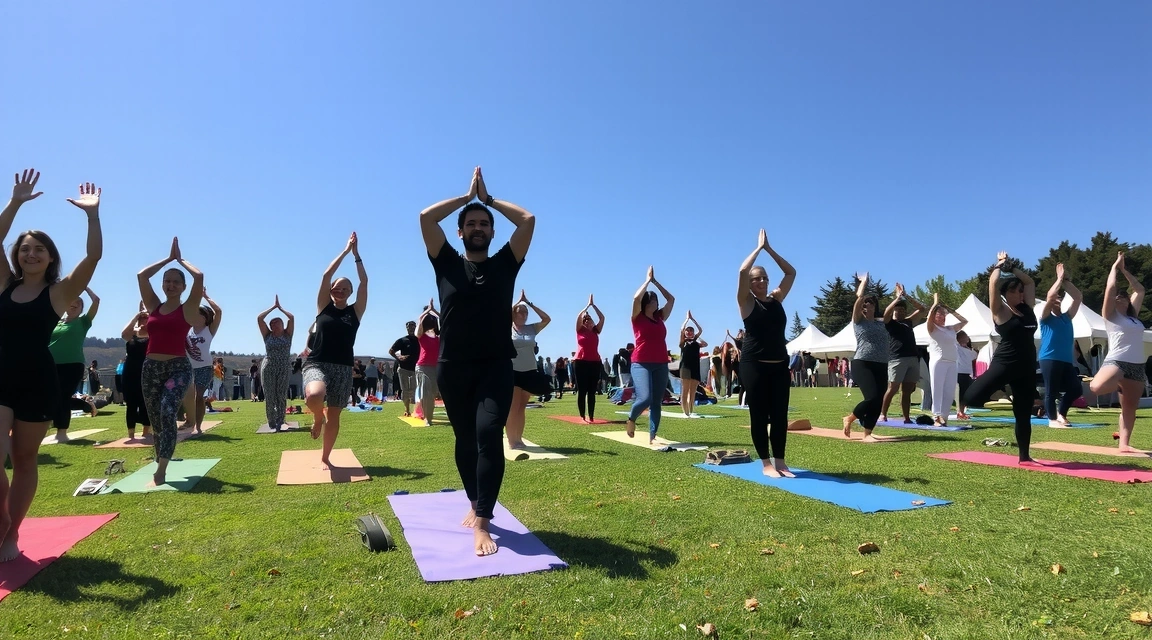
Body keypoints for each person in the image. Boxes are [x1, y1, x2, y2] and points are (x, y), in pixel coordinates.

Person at [420, 166, 534, 557]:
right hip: (453, 368)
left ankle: (483, 520)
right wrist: (465, 195)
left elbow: (528, 220)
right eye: (472, 223)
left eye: (485, 223)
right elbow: (425, 217)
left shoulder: (506, 262)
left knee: (488, 435)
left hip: (495, 366)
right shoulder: (447, 262)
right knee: (465, 440)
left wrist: (487, 200)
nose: (479, 227)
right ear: (461, 232)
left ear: (492, 230)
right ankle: (474, 501)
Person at [0, 172, 102, 562]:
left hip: (37, 380)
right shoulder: (4, 285)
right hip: (1, 374)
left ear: (50, 257)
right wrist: (14, 203)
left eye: (39, 249)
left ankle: (13, 531)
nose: (31, 254)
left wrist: (92, 216)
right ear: (17, 255)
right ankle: (2, 521)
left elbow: (93, 257)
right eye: (25, 248)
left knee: (25, 459)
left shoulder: (58, 293)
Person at [138, 237, 203, 486]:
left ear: (183, 287)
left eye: (176, 282)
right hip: (151, 368)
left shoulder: (187, 309)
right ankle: (161, 457)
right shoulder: (154, 305)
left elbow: (199, 277)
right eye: (168, 281)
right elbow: (142, 276)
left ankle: (162, 468)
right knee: (156, 419)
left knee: (167, 411)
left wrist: (180, 260)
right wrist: (167, 259)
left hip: (177, 367)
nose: (171, 285)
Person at [963, 252, 1039, 463]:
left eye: (1021, 291)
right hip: (1005, 363)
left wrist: (1012, 268)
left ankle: (1025, 456)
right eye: (1015, 291)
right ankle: (1000, 388)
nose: (1021, 294)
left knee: (1023, 413)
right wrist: (999, 266)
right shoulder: (1000, 311)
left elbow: (1030, 281)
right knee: (971, 398)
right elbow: (993, 285)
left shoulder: (1027, 309)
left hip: (1026, 365)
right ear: (1006, 295)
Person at [304, 233, 368, 468]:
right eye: (336, 288)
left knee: (335, 414)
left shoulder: (355, 312)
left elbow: (364, 283)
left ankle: (326, 457)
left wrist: (357, 255)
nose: (339, 291)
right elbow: (326, 275)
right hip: (317, 363)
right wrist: (344, 251)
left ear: (350, 293)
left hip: (343, 367)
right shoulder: (323, 307)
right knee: (314, 395)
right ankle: (317, 418)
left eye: (344, 289)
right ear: (330, 290)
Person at [737, 229, 797, 476]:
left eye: (764, 278)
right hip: (755, 365)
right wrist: (758, 249)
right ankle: (766, 464)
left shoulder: (776, 299)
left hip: (779, 365)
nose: (761, 281)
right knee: (760, 415)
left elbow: (791, 272)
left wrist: (770, 250)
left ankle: (780, 461)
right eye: (756, 279)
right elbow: (742, 271)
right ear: (750, 284)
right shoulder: (747, 302)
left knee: (780, 415)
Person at [1089, 253, 1147, 453]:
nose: (1120, 297)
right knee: (1096, 387)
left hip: (1138, 366)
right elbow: (1111, 288)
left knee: (1130, 408)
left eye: (1123, 296)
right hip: (1118, 362)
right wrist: (1114, 267)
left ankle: (1124, 444)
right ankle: (1119, 383)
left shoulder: (1133, 317)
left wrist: (1125, 270)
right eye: (1117, 296)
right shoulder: (1111, 316)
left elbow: (1139, 290)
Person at [842, 273, 897, 442]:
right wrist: (864, 283)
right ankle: (850, 418)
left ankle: (867, 434)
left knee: (878, 400)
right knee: (872, 397)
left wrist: (898, 297)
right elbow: (858, 299)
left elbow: (889, 312)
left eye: (870, 304)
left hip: (881, 364)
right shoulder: (858, 321)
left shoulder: (881, 322)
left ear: (874, 306)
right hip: (863, 363)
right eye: (864, 305)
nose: (866, 306)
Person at [626, 266, 676, 444]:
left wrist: (656, 282)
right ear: (646, 302)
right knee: (645, 398)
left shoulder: (660, 317)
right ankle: (631, 419)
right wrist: (647, 281)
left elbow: (671, 299)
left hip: (661, 363)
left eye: (656, 299)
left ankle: (653, 436)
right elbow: (635, 297)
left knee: (657, 401)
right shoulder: (637, 317)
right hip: (641, 363)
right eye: (652, 298)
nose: (655, 301)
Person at [48, 288, 100, 441]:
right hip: (51, 364)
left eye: (78, 303)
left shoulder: (83, 322)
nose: (73, 304)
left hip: (72, 365)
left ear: (81, 309)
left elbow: (96, 301)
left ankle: (61, 433)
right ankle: (86, 406)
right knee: (51, 396)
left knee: (63, 397)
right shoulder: (56, 323)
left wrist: (83, 286)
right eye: (71, 301)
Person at [1038, 263, 1084, 428]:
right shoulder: (1045, 318)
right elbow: (1050, 297)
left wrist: (1065, 281)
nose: (1056, 299)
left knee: (1076, 389)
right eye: (1054, 298)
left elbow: (1078, 297)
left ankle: (1061, 413)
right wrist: (1058, 279)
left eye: (1059, 298)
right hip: (1049, 358)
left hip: (1065, 360)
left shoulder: (1067, 317)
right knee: (1051, 391)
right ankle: (1052, 420)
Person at [507, 291, 551, 445]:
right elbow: (500, 315)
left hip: (530, 371)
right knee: (513, 407)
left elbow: (547, 319)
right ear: (514, 313)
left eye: (526, 313)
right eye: (521, 312)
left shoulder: (532, 328)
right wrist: (517, 302)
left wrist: (530, 304)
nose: (524, 315)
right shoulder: (507, 328)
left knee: (522, 407)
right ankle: (512, 441)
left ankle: (519, 438)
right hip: (513, 371)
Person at [879, 284, 926, 424]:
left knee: (907, 390)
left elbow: (922, 309)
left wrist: (906, 296)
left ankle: (906, 417)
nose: (899, 312)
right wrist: (897, 299)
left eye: (902, 309)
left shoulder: (909, 322)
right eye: (897, 309)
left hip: (912, 358)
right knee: (892, 388)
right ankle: (883, 414)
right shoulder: (890, 323)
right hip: (897, 359)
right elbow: (886, 313)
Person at [180, 290, 221, 434]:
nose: (195, 316)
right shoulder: (187, 330)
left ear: (205, 318)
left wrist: (206, 297)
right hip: (188, 368)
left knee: (198, 397)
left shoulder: (209, 330)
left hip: (204, 368)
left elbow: (218, 311)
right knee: (185, 396)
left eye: (199, 314)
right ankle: (188, 421)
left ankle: (198, 426)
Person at [925, 293, 969, 426]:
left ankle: (944, 417)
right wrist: (935, 304)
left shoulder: (950, 329)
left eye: (943, 314)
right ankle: (936, 416)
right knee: (937, 389)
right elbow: (928, 318)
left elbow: (964, 321)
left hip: (951, 362)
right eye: (938, 314)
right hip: (939, 361)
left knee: (949, 392)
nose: (941, 316)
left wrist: (949, 309)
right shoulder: (932, 328)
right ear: (934, 316)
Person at [258, 296, 295, 431]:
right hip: (269, 366)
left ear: (282, 325)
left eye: (277, 322)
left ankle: (281, 419)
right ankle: (271, 421)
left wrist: (281, 309)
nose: (274, 325)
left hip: (283, 366)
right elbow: (259, 319)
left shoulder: (287, 335)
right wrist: (272, 308)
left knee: (281, 394)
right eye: (272, 323)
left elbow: (291, 318)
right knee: (270, 394)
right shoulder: (268, 335)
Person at [120, 310, 152, 442]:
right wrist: (136, 315)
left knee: (145, 402)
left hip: (147, 371)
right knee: (131, 403)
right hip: (130, 371)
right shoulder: (132, 335)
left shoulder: (153, 334)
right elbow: (123, 333)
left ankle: (146, 431)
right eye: (142, 318)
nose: (144, 320)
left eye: (147, 318)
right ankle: (131, 434)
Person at [573, 294, 604, 422]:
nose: (588, 322)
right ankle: (582, 416)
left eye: (589, 320)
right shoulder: (580, 330)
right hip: (580, 362)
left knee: (592, 391)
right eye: (586, 320)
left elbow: (602, 317)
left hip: (594, 363)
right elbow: (578, 318)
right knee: (582, 390)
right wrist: (586, 307)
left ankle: (591, 416)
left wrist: (593, 306)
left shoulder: (596, 331)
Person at [414, 300, 441, 426]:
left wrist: (434, 310)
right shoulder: (421, 335)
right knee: (426, 393)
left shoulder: (438, 337)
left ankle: (422, 412)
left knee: (434, 393)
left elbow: (446, 319)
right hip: (423, 367)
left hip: (436, 367)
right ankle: (427, 419)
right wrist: (426, 312)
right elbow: (419, 322)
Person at [677, 311, 707, 417]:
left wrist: (693, 319)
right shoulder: (683, 342)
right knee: (685, 389)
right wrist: (687, 319)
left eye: (691, 331)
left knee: (693, 390)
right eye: (687, 330)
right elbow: (681, 329)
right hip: (685, 367)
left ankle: (691, 410)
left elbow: (700, 331)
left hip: (695, 368)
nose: (689, 332)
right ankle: (685, 411)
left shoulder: (696, 343)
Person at [389, 321, 420, 417]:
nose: (411, 328)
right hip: (403, 369)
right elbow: (391, 351)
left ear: (415, 327)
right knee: (405, 390)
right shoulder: (402, 340)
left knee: (415, 389)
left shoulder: (419, 339)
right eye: (409, 326)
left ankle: (417, 410)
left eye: (412, 326)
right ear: (406, 328)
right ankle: (407, 409)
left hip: (416, 369)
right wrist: (398, 358)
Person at [955, 331, 977, 420]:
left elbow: (974, 357)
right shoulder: (956, 347)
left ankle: (962, 411)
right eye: (965, 336)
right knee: (961, 393)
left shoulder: (969, 349)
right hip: (960, 372)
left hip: (968, 372)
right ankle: (960, 412)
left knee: (966, 393)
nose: (967, 338)